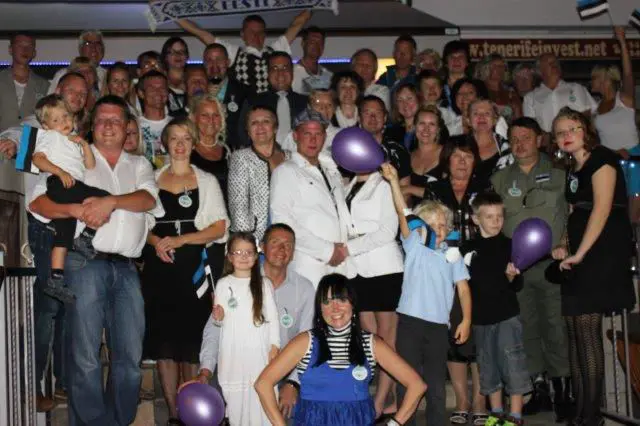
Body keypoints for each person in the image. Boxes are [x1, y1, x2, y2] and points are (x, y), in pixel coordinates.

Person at [28, 95, 162, 426]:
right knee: (85, 356)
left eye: (116, 120)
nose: (108, 126)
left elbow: (148, 199)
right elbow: (38, 204)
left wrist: (110, 202)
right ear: (92, 125)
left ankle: (118, 420)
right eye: (102, 119)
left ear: (128, 126)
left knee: (130, 357)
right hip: (83, 264)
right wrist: (73, 210)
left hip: (128, 269)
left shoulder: (139, 164)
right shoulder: (72, 154)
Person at [0, 71, 89, 413]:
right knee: (47, 306)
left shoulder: (75, 133)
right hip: (45, 227)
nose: (77, 97)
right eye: (71, 91)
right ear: (58, 90)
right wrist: (10, 144)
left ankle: (63, 382)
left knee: (67, 306)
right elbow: (16, 133)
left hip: (74, 229)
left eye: (83, 93)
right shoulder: (40, 126)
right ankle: (32, 385)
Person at [551, 107, 636, 426]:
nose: (566, 136)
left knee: (587, 332)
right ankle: (581, 412)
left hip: (600, 253)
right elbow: (576, 212)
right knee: (574, 331)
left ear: (586, 129)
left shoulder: (602, 158)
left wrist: (580, 253)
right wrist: (564, 243)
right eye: (560, 132)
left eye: (572, 128)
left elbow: (601, 210)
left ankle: (592, 416)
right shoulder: (574, 167)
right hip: (580, 252)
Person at [142, 117, 229, 425]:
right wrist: (156, 242)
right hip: (159, 267)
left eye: (186, 138)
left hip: (194, 266)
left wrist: (180, 240)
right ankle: (174, 415)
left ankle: (193, 410)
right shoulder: (150, 179)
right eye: (174, 138)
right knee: (164, 344)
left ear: (193, 144)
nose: (180, 144)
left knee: (192, 343)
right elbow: (139, 225)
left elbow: (219, 227)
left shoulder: (206, 180)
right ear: (165, 143)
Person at [254, 274, 427, 426]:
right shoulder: (305, 342)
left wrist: (394, 423)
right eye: (327, 302)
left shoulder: (372, 344)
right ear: (320, 309)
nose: (335, 308)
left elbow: (417, 385)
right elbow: (263, 383)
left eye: (341, 300)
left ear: (352, 305)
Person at [491, 116, 571, 420]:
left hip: (552, 264)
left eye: (526, 137)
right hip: (518, 269)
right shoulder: (499, 180)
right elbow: (493, 223)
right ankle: (538, 389)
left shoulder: (561, 174)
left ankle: (563, 390)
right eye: (514, 139)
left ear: (539, 139)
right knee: (527, 328)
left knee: (555, 326)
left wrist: (565, 244)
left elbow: (572, 214)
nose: (520, 143)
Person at [381, 162, 472, 426]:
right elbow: (403, 212)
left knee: (436, 386)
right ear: (420, 227)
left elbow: (463, 289)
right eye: (431, 224)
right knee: (407, 381)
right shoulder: (415, 246)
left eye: (442, 225)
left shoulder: (452, 255)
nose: (438, 229)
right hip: (410, 323)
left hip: (438, 328)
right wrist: (394, 182)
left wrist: (466, 320)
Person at [197, 223, 316, 421]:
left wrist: (293, 383)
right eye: (275, 242)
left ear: (294, 252)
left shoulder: (304, 288)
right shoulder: (231, 283)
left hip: (283, 372)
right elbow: (214, 331)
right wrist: (206, 371)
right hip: (236, 364)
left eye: (288, 245)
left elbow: (309, 340)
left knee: (297, 406)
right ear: (261, 247)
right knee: (224, 401)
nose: (282, 249)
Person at [421, 137, 488, 425]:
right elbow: (424, 230)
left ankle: (480, 400)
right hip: (445, 269)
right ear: (447, 160)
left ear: (475, 161)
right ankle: (461, 400)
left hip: (482, 269)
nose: (462, 162)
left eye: (468, 156)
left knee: (480, 336)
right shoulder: (435, 190)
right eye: (457, 156)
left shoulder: (485, 187)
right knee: (454, 338)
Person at [29, 94, 109, 304]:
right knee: (106, 199)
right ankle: (86, 237)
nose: (64, 122)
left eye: (66, 116)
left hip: (69, 186)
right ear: (46, 126)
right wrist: (60, 172)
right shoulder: (50, 137)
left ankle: (56, 279)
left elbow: (90, 165)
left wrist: (84, 145)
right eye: (56, 120)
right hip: (60, 184)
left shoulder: (72, 139)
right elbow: (37, 159)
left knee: (63, 235)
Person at [342, 154, 405, 419]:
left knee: (387, 339)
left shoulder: (384, 183)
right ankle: (380, 395)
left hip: (384, 269)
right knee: (370, 339)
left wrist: (350, 247)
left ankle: (379, 402)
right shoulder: (346, 184)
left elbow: (388, 231)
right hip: (356, 269)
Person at [461, 191, 531, 426]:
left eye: (499, 216)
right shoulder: (467, 248)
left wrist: (512, 276)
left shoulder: (511, 245)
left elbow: (518, 284)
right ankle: (496, 413)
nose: (496, 221)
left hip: (506, 315)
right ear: (475, 219)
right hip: (480, 318)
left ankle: (516, 415)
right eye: (489, 216)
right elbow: (462, 285)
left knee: (513, 362)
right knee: (487, 365)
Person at [270, 112, 354, 287]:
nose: (313, 139)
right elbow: (283, 222)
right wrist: (327, 251)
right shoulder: (285, 171)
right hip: (307, 263)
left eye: (318, 134)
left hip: (341, 262)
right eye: (307, 133)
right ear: (295, 136)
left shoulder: (331, 169)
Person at [211, 232, 280, 425]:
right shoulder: (223, 284)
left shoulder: (264, 284)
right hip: (233, 353)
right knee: (237, 405)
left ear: (256, 256)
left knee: (261, 398)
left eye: (249, 252)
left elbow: (273, 318)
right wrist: (218, 317)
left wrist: (275, 345)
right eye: (238, 252)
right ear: (230, 256)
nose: (243, 256)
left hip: (259, 353)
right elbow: (219, 321)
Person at [177, 11, 311, 95]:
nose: (256, 36)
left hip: (272, 108)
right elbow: (202, 34)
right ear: (242, 34)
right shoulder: (234, 52)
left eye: (260, 32)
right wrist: (173, 16)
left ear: (265, 35)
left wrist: (314, 6)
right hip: (244, 111)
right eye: (251, 32)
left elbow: (297, 24)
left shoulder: (275, 50)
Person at [228, 105, 288, 243]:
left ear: (275, 128)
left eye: (266, 121)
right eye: (254, 123)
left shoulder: (290, 158)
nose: (260, 127)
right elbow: (238, 208)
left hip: (289, 232)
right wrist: (251, 242)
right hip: (257, 237)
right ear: (248, 131)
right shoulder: (240, 158)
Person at [237, 52, 308, 147]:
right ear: (268, 73)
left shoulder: (306, 103)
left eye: (285, 68)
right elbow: (243, 135)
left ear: (292, 72)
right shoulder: (253, 102)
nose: (280, 73)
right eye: (274, 68)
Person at [523, 53, 596, 136]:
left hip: (576, 138)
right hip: (547, 142)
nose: (554, 65)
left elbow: (588, 116)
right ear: (540, 71)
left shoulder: (576, 88)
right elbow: (532, 127)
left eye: (556, 62)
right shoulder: (530, 97)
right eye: (549, 63)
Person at [0, 33, 48, 132]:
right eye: (20, 45)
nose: (25, 50)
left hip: (30, 139)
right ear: (10, 49)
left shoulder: (44, 85)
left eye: (29, 46)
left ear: (34, 52)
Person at [359, 95, 411, 187]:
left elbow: (405, 189)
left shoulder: (398, 151)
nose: (373, 117)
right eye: (367, 113)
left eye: (378, 113)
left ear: (385, 118)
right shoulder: (350, 149)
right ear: (359, 118)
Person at [402, 106, 447, 204]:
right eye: (422, 123)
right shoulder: (407, 157)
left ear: (438, 129)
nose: (426, 129)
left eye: (432, 124)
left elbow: (448, 193)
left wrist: (410, 189)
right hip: (412, 212)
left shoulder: (448, 154)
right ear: (415, 126)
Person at [463, 98, 512, 184]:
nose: (481, 117)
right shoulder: (457, 145)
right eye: (476, 113)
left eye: (487, 113)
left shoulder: (507, 148)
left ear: (495, 119)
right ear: (468, 120)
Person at [281, 89, 339, 154]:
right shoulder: (294, 135)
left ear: (334, 109)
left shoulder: (340, 135)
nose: (324, 108)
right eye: (318, 104)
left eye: (329, 104)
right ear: (309, 107)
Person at [138, 70, 173, 168]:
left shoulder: (177, 124)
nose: (158, 92)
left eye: (162, 88)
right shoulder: (134, 125)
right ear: (141, 93)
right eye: (152, 89)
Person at [475, 54, 522, 123]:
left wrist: (516, 109)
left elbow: (520, 120)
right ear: (485, 68)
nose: (500, 69)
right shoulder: (477, 89)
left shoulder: (510, 92)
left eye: (502, 66)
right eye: (495, 66)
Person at [292, 26, 332, 95]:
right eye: (312, 42)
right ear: (303, 43)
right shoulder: (291, 73)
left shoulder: (328, 76)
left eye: (320, 43)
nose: (316, 45)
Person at [387, 82, 420, 151]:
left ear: (419, 100)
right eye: (400, 100)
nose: (405, 104)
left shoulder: (427, 128)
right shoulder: (391, 132)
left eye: (409, 98)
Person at [160, 37, 189, 114]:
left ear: (187, 56)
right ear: (165, 57)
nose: (178, 55)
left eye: (182, 52)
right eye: (173, 52)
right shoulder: (160, 82)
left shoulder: (193, 80)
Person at [441, 40, 471, 107]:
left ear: (467, 62)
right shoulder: (439, 87)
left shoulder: (477, 86)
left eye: (461, 56)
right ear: (446, 63)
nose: (456, 60)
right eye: (452, 57)